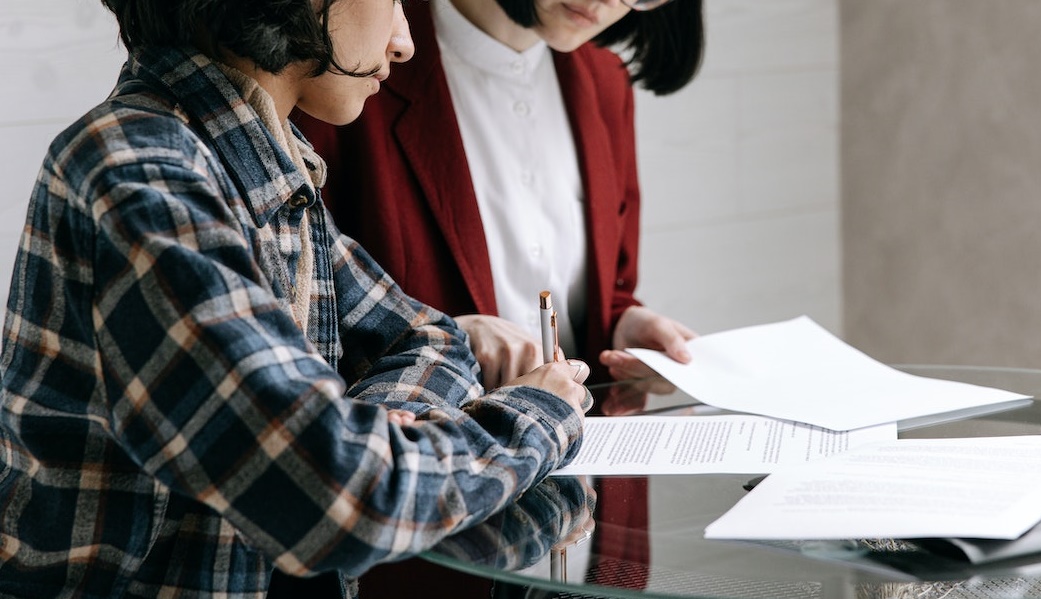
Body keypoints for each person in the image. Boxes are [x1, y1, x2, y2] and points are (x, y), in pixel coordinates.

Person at [0, 0, 595, 597]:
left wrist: (362, 435)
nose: (404, 42)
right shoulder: (143, 176)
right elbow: (339, 502)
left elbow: (432, 339)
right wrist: (534, 415)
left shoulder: (262, 164)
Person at [294, 0, 705, 593]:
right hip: (429, 523)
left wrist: (620, 323)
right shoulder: (358, 68)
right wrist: (453, 335)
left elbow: (598, 281)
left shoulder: (603, 82)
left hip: (574, 505)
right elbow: (301, 312)